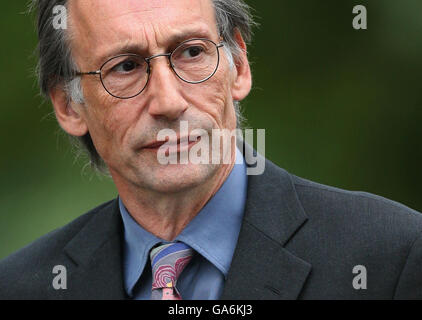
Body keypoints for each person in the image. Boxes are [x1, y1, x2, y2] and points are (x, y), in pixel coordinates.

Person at [1, 0, 422, 300]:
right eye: (125, 67)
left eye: (191, 53)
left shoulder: (392, 257)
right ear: (69, 106)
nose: (168, 101)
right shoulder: (20, 287)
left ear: (238, 66)